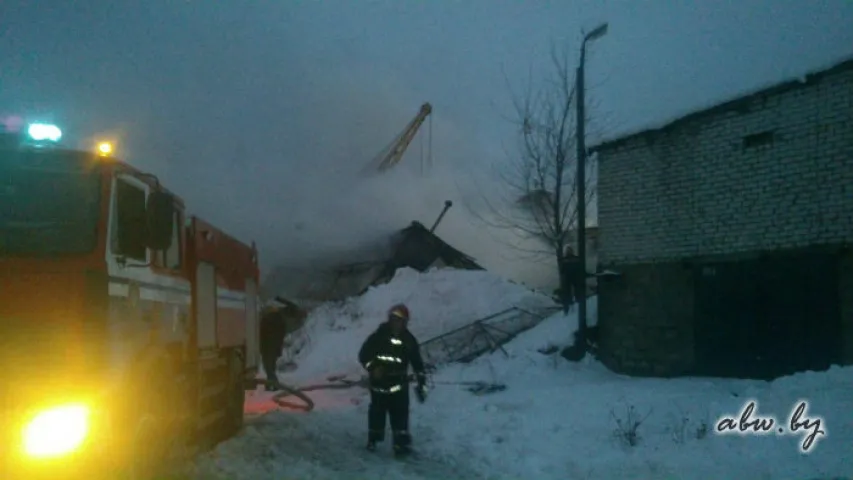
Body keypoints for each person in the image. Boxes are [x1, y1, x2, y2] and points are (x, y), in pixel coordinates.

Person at [358, 303, 428, 457]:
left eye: (401, 321)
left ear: (405, 322)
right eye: (394, 319)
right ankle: (373, 440)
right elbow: (363, 355)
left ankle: (401, 445)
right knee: (377, 413)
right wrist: (373, 368)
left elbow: (418, 363)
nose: (397, 323)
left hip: (399, 386)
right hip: (379, 385)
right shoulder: (378, 336)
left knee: (401, 416)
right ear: (390, 320)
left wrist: (422, 383)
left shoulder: (409, 340)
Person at [259, 304, 288, 391]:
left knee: (268, 367)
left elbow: (262, 333)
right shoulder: (280, 320)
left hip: (267, 347)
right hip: (275, 347)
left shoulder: (266, 319)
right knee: (271, 366)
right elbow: (282, 334)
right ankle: (270, 384)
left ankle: (274, 384)